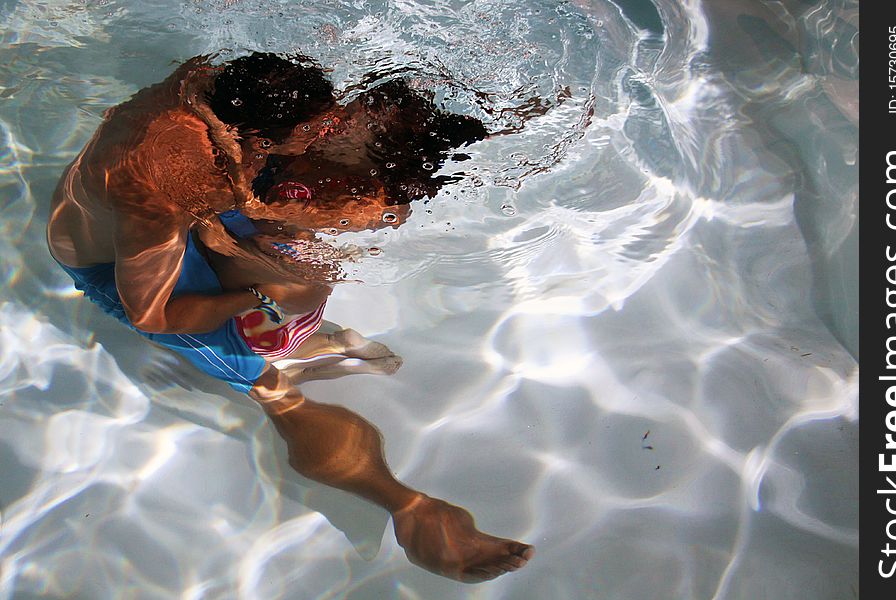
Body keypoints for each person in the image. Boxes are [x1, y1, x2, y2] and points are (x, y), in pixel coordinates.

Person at [47, 52, 533, 582]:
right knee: (277, 393)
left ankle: (303, 335)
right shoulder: (162, 194)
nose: (323, 132)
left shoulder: (205, 83)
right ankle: (404, 504)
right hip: (118, 264)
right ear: (256, 139)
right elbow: (155, 315)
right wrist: (262, 298)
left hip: (176, 210)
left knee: (317, 235)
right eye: (311, 131)